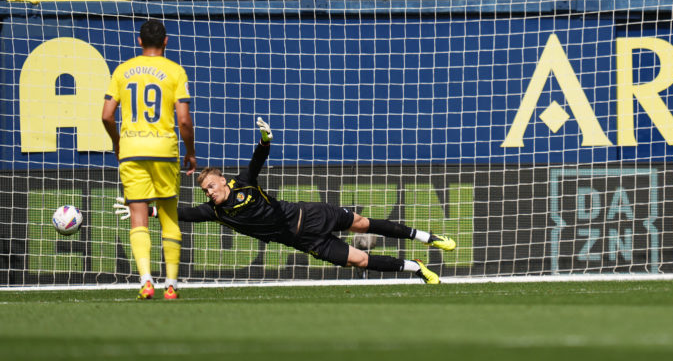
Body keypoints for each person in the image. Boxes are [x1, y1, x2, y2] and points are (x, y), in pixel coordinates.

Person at [118, 119, 455, 285]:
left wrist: (265, 140)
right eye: (205, 190)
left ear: (222, 179)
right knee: (359, 261)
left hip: (311, 214)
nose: (208, 192)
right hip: (304, 240)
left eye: (210, 185)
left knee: (364, 224)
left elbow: (256, 162)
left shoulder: (244, 182)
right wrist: (143, 208)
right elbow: (180, 213)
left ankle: (428, 238)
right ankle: (414, 267)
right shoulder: (215, 212)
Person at [101, 19, 196, 300]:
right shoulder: (175, 71)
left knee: (138, 217)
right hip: (164, 151)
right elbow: (183, 120)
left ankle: (145, 281)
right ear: (166, 41)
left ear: (139, 41)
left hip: (132, 150)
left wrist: (118, 142)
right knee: (169, 216)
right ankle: (171, 285)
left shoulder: (123, 70)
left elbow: (106, 115)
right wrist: (190, 151)